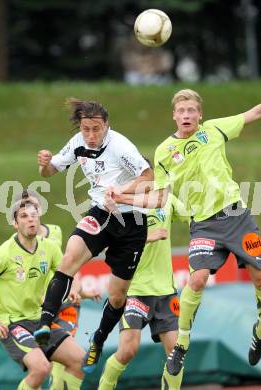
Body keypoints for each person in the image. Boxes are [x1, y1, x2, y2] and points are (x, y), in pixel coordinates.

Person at [107, 69, 261, 375]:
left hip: (236, 217)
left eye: (192, 110)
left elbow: (257, 112)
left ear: (200, 116)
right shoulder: (165, 151)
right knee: (197, 279)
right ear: (174, 117)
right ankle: (182, 344)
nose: (187, 115)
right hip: (203, 225)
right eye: (181, 111)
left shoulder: (215, 130)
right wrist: (123, 197)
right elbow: (159, 196)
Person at [34, 98, 153, 374]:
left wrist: (122, 191)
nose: (90, 135)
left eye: (96, 129)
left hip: (132, 222)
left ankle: (98, 339)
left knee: (117, 297)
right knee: (69, 258)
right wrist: (43, 164)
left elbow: (149, 177)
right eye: (86, 129)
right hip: (100, 213)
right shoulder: (78, 142)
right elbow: (51, 170)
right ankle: (44, 322)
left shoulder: (121, 146)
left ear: (106, 126)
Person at [0, 199, 85, 390]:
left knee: (80, 361)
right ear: (15, 224)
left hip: (40, 320)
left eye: (34, 215)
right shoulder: (3, 254)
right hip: (12, 323)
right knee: (42, 368)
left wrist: (74, 287)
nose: (31, 220)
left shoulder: (48, 247)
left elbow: (68, 273)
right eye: (24, 216)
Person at [99, 193, 188, 390]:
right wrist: (146, 237)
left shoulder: (167, 198)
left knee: (176, 354)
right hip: (134, 289)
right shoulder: (121, 206)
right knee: (128, 350)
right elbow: (109, 248)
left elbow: (193, 216)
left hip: (166, 290)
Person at [15, 189, 101, 388]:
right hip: (39, 307)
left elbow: (66, 265)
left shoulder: (55, 231)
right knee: (55, 359)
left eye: (35, 206)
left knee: (67, 355)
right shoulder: (21, 241)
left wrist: (79, 290)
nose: (32, 211)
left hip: (62, 304)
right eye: (26, 208)